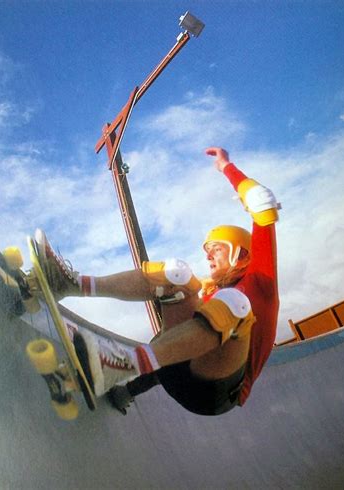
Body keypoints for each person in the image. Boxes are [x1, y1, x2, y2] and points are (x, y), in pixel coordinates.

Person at [36, 147, 279, 416]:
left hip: (217, 391)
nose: (208, 255)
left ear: (239, 253)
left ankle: (123, 364)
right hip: (176, 371)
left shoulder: (261, 281)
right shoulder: (211, 294)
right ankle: (70, 285)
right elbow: (175, 339)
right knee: (179, 275)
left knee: (234, 303)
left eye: (216, 248)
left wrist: (226, 167)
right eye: (207, 250)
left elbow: (262, 203)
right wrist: (127, 393)